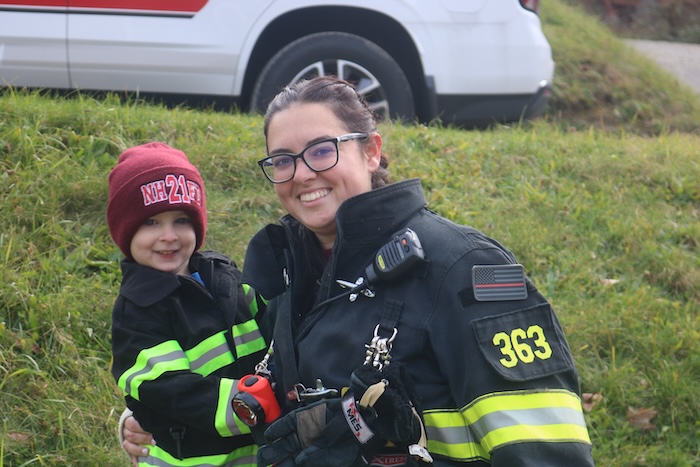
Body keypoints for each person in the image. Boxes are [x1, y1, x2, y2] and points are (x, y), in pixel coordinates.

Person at [123, 77, 595, 466]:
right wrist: (154, 416)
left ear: (371, 151)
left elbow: (547, 452)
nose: (302, 174)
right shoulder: (284, 274)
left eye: (322, 150)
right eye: (282, 161)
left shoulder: (467, 268)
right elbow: (248, 385)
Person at [107, 142, 270, 467]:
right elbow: (169, 389)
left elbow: (272, 328)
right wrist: (247, 405)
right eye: (151, 223)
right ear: (126, 231)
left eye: (181, 220)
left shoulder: (226, 276)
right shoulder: (137, 310)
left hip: (254, 450)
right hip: (192, 457)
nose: (168, 236)